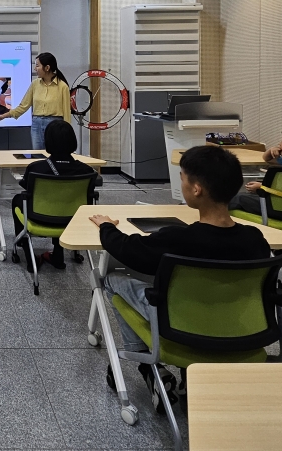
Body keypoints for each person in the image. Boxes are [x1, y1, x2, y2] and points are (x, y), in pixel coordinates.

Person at [89, 145, 271, 406]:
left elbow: (128, 250)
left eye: (182, 178)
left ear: (196, 189)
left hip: (180, 326)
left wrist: (106, 226)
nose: (181, 183)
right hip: (242, 331)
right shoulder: (255, 240)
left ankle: (148, 366)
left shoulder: (177, 239)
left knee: (111, 278)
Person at [11, 119, 96, 271]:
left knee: (18, 200)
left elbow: (25, 187)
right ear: (73, 141)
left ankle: (27, 252)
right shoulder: (86, 170)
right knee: (64, 202)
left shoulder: (36, 168)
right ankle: (57, 255)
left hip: (39, 217)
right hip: (74, 219)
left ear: (48, 142)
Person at [0, 52, 72, 149]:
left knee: (54, 152)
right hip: (36, 124)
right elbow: (23, 106)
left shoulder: (62, 86)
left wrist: (67, 134)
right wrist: (4, 116)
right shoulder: (35, 84)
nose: (35, 69)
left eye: (37, 66)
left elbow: (67, 113)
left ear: (47, 68)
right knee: (37, 154)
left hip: (54, 125)